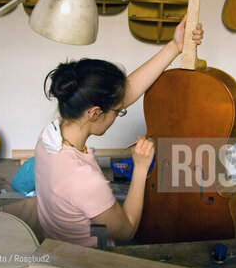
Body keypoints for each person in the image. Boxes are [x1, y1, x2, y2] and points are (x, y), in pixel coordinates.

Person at [35, 16, 204, 247]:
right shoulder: (83, 180)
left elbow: (124, 94)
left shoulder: (50, 136)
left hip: (57, 245)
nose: (120, 110)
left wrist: (175, 46)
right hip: (85, 266)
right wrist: (141, 169)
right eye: (118, 110)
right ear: (94, 113)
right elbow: (126, 230)